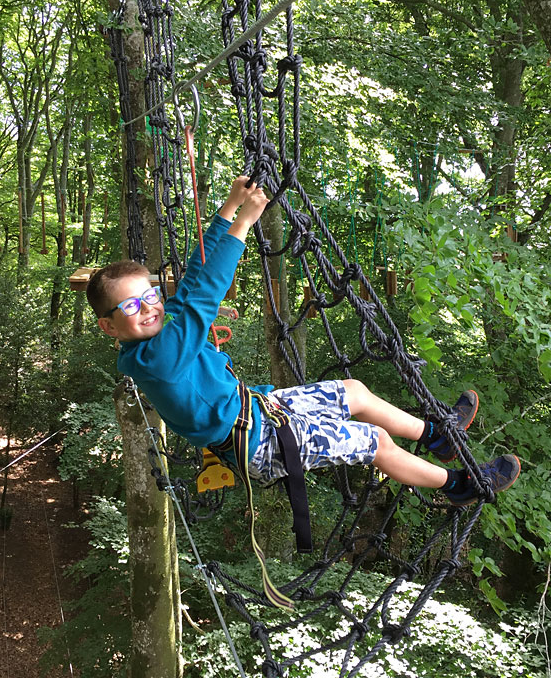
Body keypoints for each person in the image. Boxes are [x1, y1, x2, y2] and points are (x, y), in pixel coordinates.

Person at [87, 175, 520, 510]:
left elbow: (197, 273)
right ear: (109, 327)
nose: (147, 308)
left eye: (149, 296)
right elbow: (205, 295)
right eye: (129, 307)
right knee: (374, 441)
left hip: (258, 410)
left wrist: (230, 205)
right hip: (259, 444)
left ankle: (436, 436)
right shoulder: (157, 357)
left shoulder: (165, 324)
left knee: (355, 392)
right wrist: (245, 222)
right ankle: (461, 485)